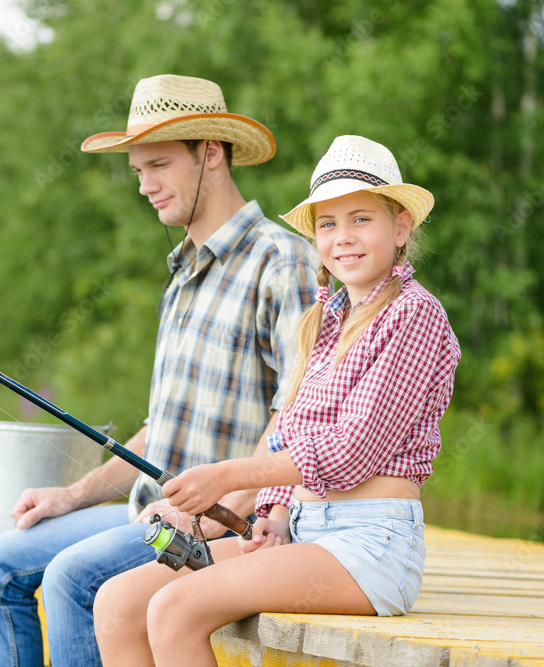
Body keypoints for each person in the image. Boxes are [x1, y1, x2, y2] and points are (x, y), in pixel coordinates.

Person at [0, 74, 323, 667]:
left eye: (158, 164)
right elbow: (162, 429)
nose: (145, 186)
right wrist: (72, 495)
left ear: (211, 152)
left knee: (72, 581)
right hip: (146, 512)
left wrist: (206, 514)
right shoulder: (182, 272)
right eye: (137, 172)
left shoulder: (281, 260)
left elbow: (297, 415)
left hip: (218, 528)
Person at [93, 135, 462, 666]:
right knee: (120, 603)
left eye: (361, 219)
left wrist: (228, 477)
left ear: (401, 226)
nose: (343, 238)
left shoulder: (413, 315)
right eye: (328, 225)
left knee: (175, 608)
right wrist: (275, 514)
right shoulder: (324, 323)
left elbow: (349, 452)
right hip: (306, 534)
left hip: (369, 548)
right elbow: (295, 433)